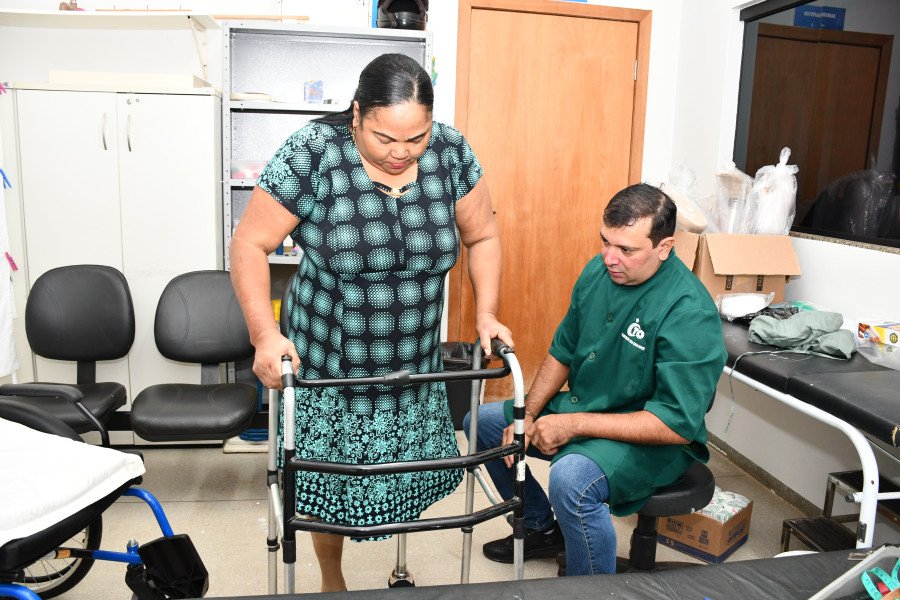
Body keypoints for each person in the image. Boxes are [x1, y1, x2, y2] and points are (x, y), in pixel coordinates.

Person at [230, 53, 513, 592]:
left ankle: (398, 562)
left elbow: (483, 236)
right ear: (357, 114)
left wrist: (486, 313)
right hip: (330, 364)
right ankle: (331, 579)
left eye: (417, 138)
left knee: (402, 476)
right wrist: (264, 335)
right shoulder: (313, 153)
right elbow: (250, 243)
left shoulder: (450, 152)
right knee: (328, 485)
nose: (402, 154)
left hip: (412, 364)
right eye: (385, 138)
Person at [465, 183, 726, 576]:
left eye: (626, 250)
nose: (609, 258)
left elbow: (674, 424)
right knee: (482, 425)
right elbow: (562, 351)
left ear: (664, 247)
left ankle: (591, 589)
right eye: (605, 241)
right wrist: (529, 413)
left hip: (655, 438)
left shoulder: (689, 311)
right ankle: (540, 528)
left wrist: (572, 424)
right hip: (589, 407)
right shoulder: (598, 271)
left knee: (571, 480)